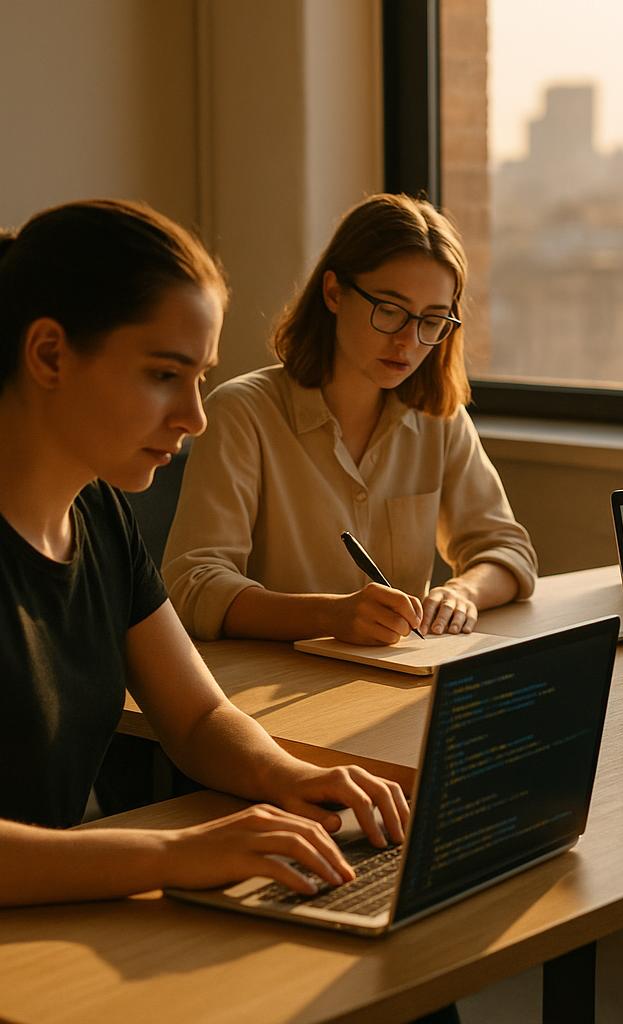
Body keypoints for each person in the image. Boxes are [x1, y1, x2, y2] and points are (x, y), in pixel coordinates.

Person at [0, 199, 409, 907]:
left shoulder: (98, 514)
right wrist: (173, 853)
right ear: (49, 354)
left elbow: (194, 719)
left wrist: (289, 776)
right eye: (164, 374)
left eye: (200, 378)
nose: (194, 416)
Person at [161, 193, 537, 645]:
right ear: (334, 292)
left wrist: (462, 592)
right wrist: (328, 616)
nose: (408, 341)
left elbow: (508, 551)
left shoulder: (438, 418)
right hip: (272, 685)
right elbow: (192, 584)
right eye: (390, 311)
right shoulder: (243, 412)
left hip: (396, 679)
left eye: (432, 320)